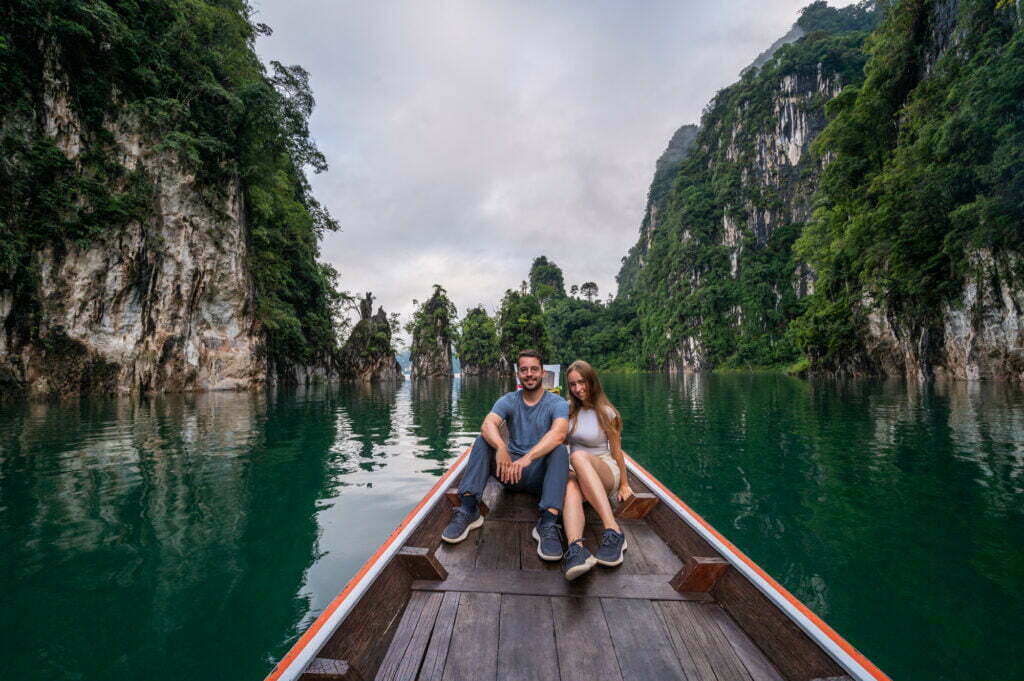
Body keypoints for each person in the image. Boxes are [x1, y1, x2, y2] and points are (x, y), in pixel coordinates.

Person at [441, 349, 570, 561]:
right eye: (524, 370)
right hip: (509, 472)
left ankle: (548, 522)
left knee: (559, 450)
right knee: (483, 441)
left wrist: (528, 458)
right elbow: (488, 424)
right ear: (518, 374)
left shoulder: (557, 403)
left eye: (534, 369)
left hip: (539, 476)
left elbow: (559, 433)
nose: (529, 374)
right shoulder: (509, 400)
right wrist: (501, 447)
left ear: (543, 372)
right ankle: (468, 509)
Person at [560, 359, 633, 580]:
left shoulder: (607, 412)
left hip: (604, 470)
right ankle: (576, 549)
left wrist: (624, 484)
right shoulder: (568, 410)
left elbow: (617, 451)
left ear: (592, 381)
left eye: (582, 382)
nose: (578, 388)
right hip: (579, 471)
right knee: (571, 486)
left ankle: (613, 530)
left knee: (578, 456)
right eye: (573, 384)